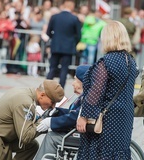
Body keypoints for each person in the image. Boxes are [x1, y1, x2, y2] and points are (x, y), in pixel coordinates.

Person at [76, 20, 139, 159]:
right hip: (125, 116)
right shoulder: (130, 60)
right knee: (119, 151)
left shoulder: (106, 61)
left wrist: (83, 116)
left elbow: (96, 92)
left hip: (109, 117)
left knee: (101, 152)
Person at [0, 79, 64, 160]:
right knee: (29, 143)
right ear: (42, 95)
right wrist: (44, 121)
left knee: (31, 146)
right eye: (52, 102)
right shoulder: (25, 103)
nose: (53, 106)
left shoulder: (25, 92)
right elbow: (25, 137)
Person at [33, 65, 90, 160]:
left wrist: (51, 122)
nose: (72, 83)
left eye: (76, 80)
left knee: (51, 137)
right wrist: (58, 112)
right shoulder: (84, 97)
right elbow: (73, 112)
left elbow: (75, 117)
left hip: (83, 136)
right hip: (79, 133)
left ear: (83, 82)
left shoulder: (88, 98)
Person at [46, 0, 81, 88]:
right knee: (64, 69)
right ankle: (60, 89)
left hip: (56, 46)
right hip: (68, 47)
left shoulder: (55, 17)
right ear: (72, 6)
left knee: (52, 68)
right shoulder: (74, 18)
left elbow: (48, 32)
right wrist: (73, 43)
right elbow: (79, 35)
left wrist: (54, 39)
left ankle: (46, 87)